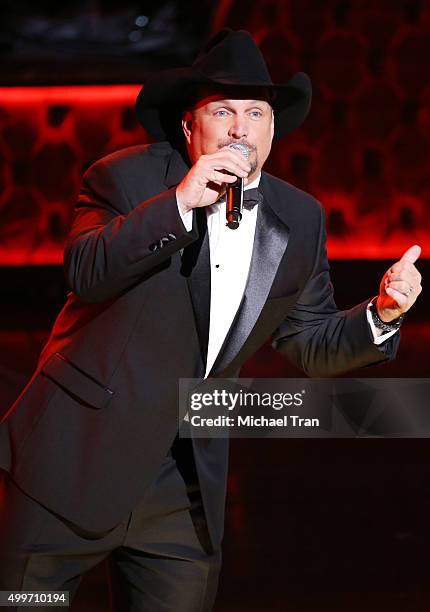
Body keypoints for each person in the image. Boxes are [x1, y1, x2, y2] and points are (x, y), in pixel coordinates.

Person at [0, 28, 422, 611]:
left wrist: (382, 314)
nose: (239, 127)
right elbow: (86, 271)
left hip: (184, 491)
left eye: (255, 113)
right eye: (222, 111)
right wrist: (179, 203)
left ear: (273, 130)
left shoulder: (299, 218)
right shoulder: (123, 179)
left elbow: (309, 340)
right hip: (72, 468)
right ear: (188, 126)